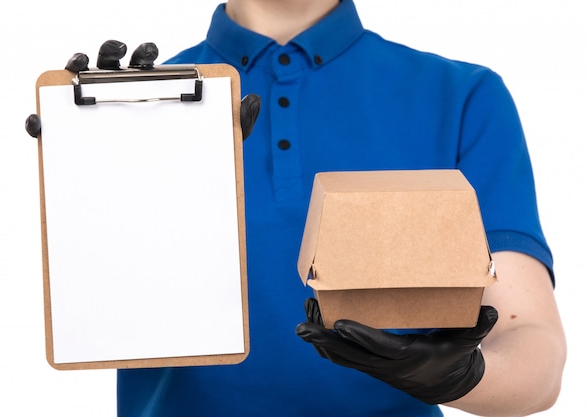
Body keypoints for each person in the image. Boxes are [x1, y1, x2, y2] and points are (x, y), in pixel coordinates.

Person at [29, 1, 566, 415]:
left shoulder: (461, 96)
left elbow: (534, 351)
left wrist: (459, 376)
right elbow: (90, 324)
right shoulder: (133, 116)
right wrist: (90, 189)